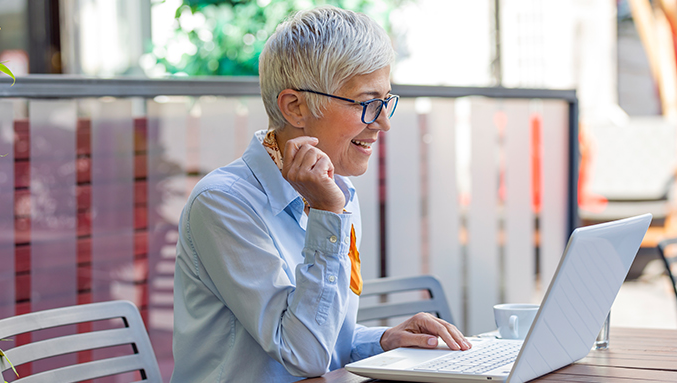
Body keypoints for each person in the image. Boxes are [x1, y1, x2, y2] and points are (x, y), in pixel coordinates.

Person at [171, 6, 471, 382]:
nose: (383, 122)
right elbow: (304, 355)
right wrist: (329, 213)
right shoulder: (223, 203)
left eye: (385, 101)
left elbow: (320, 335)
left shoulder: (337, 191)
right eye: (366, 103)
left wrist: (383, 340)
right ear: (295, 107)